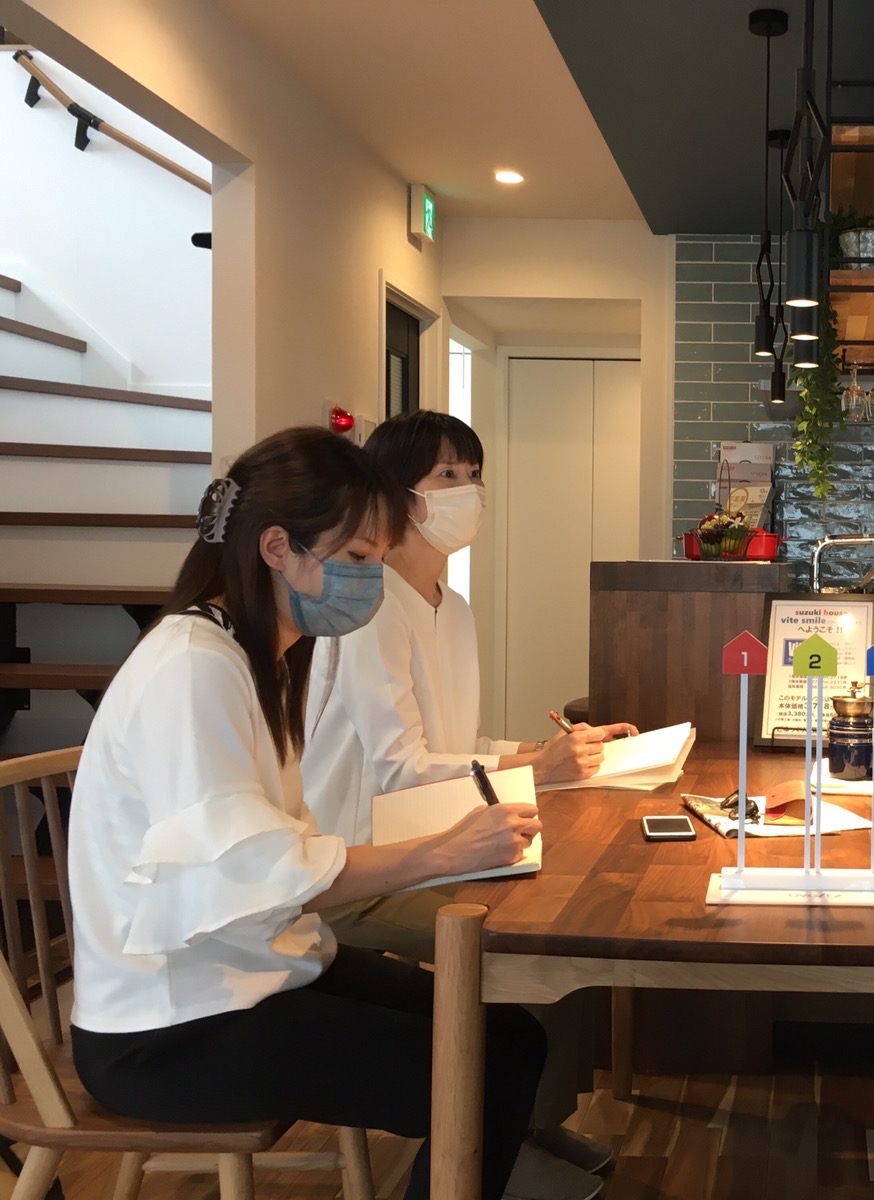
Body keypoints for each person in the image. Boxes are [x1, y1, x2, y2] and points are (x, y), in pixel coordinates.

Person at [69, 428, 546, 1200]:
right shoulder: (193, 667)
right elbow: (259, 874)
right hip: (171, 1027)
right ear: (276, 548)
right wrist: (441, 853)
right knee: (482, 1073)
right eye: (357, 557)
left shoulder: (256, 656)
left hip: (256, 970)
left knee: (512, 1036)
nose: (372, 578)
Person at [300, 410, 630, 1197]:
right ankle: (504, 1146)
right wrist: (538, 768)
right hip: (364, 866)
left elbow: (458, 743)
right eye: (447, 475)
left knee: (575, 915)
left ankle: (530, 1126)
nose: (468, 491)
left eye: (473, 474)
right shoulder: (371, 607)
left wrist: (550, 752)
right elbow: (400, 768)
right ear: (397, 494)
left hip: (439, 840)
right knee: (541, 943)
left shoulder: (452, 605)